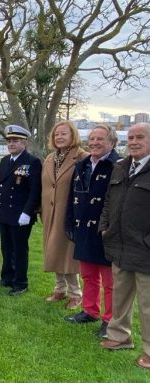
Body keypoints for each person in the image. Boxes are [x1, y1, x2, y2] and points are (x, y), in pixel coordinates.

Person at [99, 122, 150, 370]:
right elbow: (109, 200)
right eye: (130, 137)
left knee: (148, 303)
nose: (133, 142)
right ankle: (119, 337)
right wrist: (104, 227)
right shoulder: (121, 167)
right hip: (119, 244)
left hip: (145, 249)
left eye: (140, 137)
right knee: (120, 296)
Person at [65, 125, 119, 338]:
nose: (94, 142)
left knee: (110, 281)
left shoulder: (118, 166)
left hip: (105, 230)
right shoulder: (82, 165)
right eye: (92, 138)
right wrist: (69, 223)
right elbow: (72, 197)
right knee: (88, 275)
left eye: (100, 139)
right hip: (83, 228)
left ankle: (110, 320)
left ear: (112, 143)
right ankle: (89, 310)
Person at [41, 121, 88, 309]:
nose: (59, 137)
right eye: (56, 134)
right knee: (52, 251)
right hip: (49, 212)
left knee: (67, 255)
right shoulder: (51, 158)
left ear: (73, 135)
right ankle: (59, 288)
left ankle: (75, 293)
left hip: (68, 214)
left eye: (63, 134)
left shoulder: (82, 157)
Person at [0, 125, 42, 296]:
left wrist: (28, 212)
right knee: (6, 247)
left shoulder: (32, 162)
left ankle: (21, 283)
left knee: (19, 249)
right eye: (9, 141)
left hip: (21, 214)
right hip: (5, 212)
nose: (11, 144)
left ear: (24, 143)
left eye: (16, 141)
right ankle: (7, 277)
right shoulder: (5, 160)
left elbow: (35, 190)